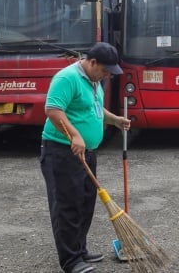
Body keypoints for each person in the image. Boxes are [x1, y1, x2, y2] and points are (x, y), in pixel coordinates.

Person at [40, 42, 130, 273]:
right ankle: (70, 261)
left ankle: (79, 250)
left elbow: (95, 109)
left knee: (85, 203)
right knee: (67, 205)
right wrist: (75, 135)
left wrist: (114, 120)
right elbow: (53, 110)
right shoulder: (67, 78)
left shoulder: (94, 81)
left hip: (86, 152)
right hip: (61, 151)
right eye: (106, 70)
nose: (109, 75)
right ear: (92, 62)